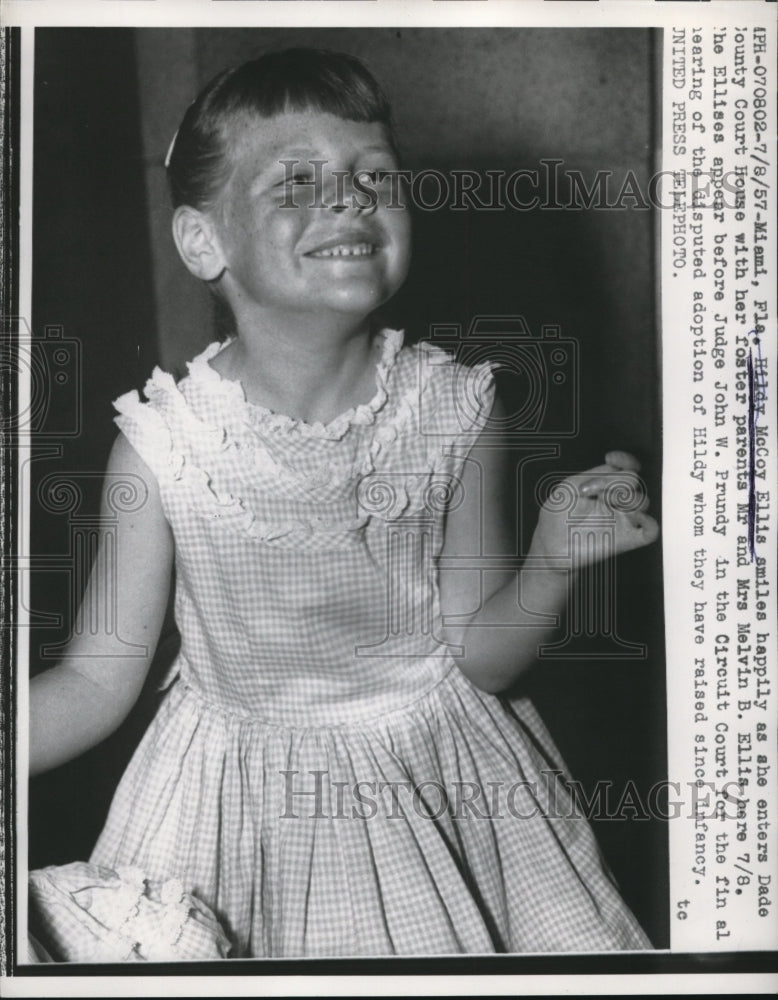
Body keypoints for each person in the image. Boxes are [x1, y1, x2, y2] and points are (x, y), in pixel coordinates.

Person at [30, 48, 660, 957]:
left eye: (375, 177)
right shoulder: (163, 447)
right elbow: (95, 680)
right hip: (232, 813)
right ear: (204, 241)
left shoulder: (456, 410)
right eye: (297, 182)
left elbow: (485, 656)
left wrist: (551, 562)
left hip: (444, 791)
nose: (352, 199)